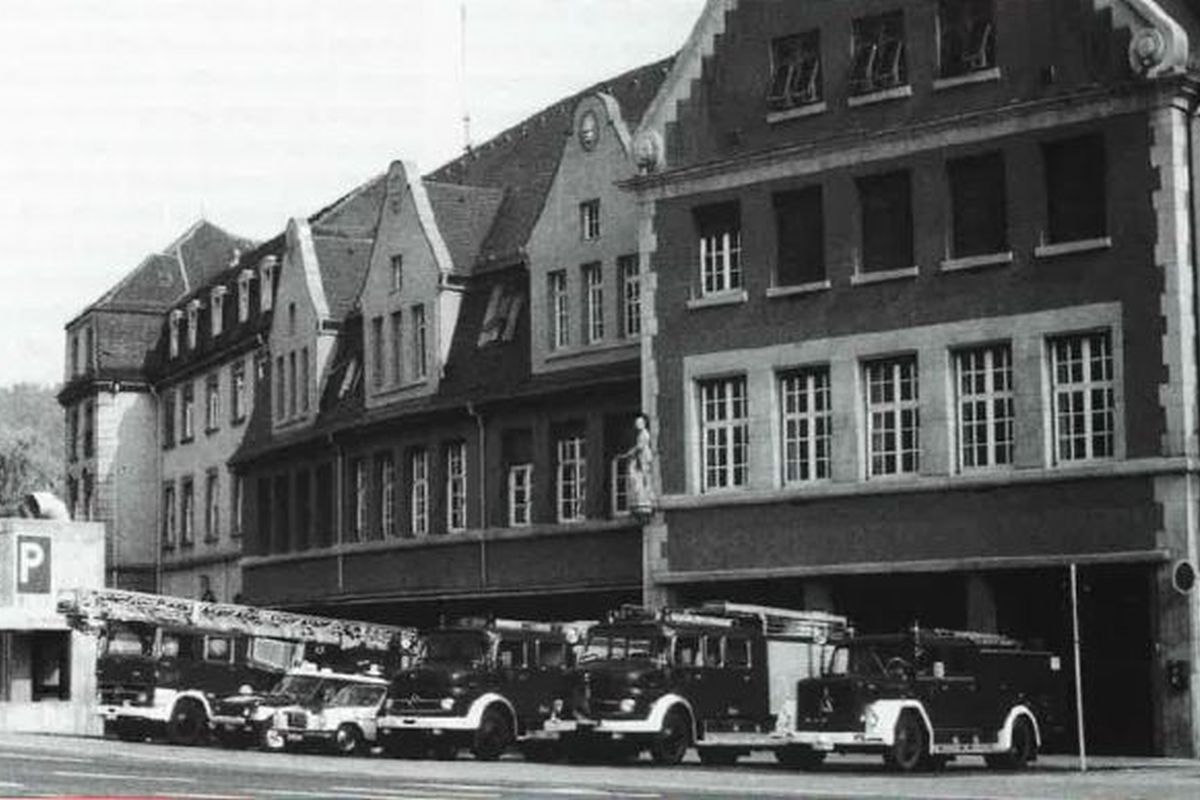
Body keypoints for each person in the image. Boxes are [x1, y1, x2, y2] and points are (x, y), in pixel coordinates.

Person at [624, 415, 655, 515]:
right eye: (636, 423)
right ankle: (641, 500)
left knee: (645, 479)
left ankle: (646, 500)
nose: (637, 424)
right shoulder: (641, 433)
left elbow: (640, 446)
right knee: (641, 478)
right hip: (641, 457)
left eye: (639, 422)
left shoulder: (644, 433)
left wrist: (630, 452)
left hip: (644, 456)